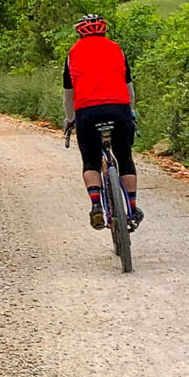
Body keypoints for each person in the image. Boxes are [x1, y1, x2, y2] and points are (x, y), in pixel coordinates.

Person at [62, 14, 142, 230]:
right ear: (104, 31)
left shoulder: (73, 54)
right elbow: (129, 88)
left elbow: (69, 94)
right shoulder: (117, 49)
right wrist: (130, 111)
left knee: (90, 161)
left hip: (87, 112)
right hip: (119, 109)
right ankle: (132, 209)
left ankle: (97, 205)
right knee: (124, 157)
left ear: (79, 32)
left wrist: (71, 120)